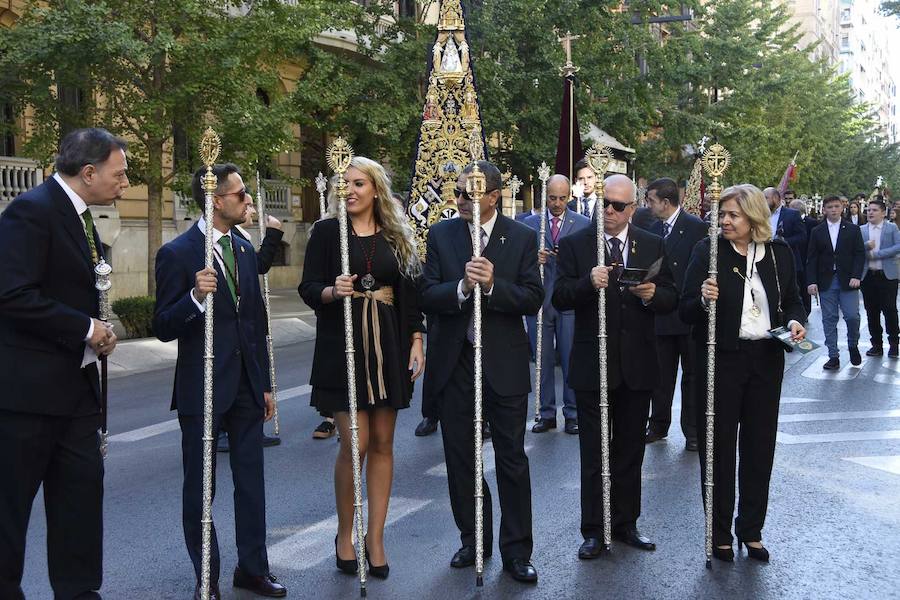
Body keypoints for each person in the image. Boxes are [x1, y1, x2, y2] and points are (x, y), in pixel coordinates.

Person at [0, 128, 124, 600]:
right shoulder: (31, 210)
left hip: (75, 395)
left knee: (80, 507)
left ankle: (78, 593)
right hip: (26, 400)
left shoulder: (82, 216)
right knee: (9, 516)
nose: (125, 182)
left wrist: (98, 334)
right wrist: (84, 328)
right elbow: (11, 295)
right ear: (88, 172)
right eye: (120, 173)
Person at [153, 163, 286, 599]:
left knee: (252, 483)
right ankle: (205, 575)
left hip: (247, 386)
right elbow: (163, 325)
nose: (248, 201)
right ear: (216, 200)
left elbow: (255, 323)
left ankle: (253, 568)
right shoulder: (178, 253)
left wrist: (265, 384)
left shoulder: (244, 250)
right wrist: (194, 297)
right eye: (241, 194)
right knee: (200, 487)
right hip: (202, 388)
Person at [299, 157, 425, 580]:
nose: (350, 190)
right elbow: (308, 287)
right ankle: (344, 534)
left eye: (358, 183)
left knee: (385, 442)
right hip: (343, 346)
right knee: (356, 443)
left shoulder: (395, 233)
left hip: (387, 344)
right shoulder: (325, 232)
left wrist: (416, 339)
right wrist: (333, 290)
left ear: (375, 190)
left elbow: (410, 293)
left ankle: (375, 538)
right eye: (344, 183)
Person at [420, 160, 543, 583]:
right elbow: (427, 292)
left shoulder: (522, 237)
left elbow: (533, 298)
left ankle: (517, 551)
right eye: (458, 192)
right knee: (460, 457)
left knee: (511, 458)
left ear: (494, 196)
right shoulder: (441, 234)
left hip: (503, 363)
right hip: (456, 362)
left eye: (471, 193)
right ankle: (473, 539)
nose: (462, 200)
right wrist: (461, 288)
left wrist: (492, 286)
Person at [553, 174, 678, 559]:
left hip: (637, 364)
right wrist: (588, 283)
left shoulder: (652, 244)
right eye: (604, 203)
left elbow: (671, 297)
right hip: (594, 364)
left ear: (633, 208)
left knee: (628, 452)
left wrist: (653, 294)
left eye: (618, 206)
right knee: (594, 453)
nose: (608, 210)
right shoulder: (576, 244)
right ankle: (594, 529)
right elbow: (558, 297)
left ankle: (625, 523)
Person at [681, 184, 806, 563]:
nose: (725, 221)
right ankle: (717, 533)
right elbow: (685, 309)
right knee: (718, 447)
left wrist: (797, 321)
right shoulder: (708, 252)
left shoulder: (779, 252)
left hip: (767, 358)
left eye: (733, 215)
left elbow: (794, 299)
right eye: (722, 215)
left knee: (759, 446)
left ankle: (750, 530)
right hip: (722, 359)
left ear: (754, 218)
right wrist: (704, 298)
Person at [644, 177, 708, 451]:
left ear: (666, 202)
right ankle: (658, 425)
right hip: (660, 310)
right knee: (659, 374)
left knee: (692, 376)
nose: (648, 206)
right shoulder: (649, 227)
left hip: (688, 312)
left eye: (651, 201)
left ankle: (692, 431)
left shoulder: (696, 228)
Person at [523, 174, 590, 434]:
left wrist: (569, 258)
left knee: (570, 355)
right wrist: (533, 258)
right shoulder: (529, 224)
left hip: (568, 299)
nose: (557, 203)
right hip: (539, 301)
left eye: (563, 198)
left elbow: (587, 262)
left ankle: (572, 413)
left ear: (569, 197)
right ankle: (545, 413)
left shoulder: (583, 224)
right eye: (552, 198)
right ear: (545, 196)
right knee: (542, 358)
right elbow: (518, 262)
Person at [218, 202, 284, 451]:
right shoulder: (230, 237)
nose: (252, 211)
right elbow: (260, 264)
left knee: (255, 367)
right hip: (236, 323)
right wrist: (274, 235)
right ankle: (225, 428)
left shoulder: (241, 237)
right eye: (246, 204)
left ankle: (250, 424)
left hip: (251, 318)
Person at [806, 195, 866, 370]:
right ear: (824, 209)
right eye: (830, 207)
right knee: (829, 318)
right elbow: (812, 258)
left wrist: (857, 275)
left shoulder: (853, 230)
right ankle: (833, 355)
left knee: (852, 316)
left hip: (848, 280)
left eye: (836, 206)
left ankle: (853, 345)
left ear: (842, 208)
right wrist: (811, 281)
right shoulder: (817, 231)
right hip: (826, 280)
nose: (833, 209)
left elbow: (859, 254)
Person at [860, 198, 900, 358]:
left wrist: (877, 254)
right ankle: (876, 344)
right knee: (871, 311)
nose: (871, 212)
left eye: (875, 210)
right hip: (868, 275)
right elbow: (855, 248)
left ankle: (894, 343)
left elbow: (898, 246)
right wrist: (865, 247)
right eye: (869, 210)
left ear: (883, 213)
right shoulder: (861, 230)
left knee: (890, 309)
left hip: (887, 275)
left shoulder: (892, 228)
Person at [789, 199, 814, 317]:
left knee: (804, 286)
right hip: (792, 259)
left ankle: (806, 310)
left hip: (806, 259)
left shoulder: (812, 223)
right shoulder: (788, 222)